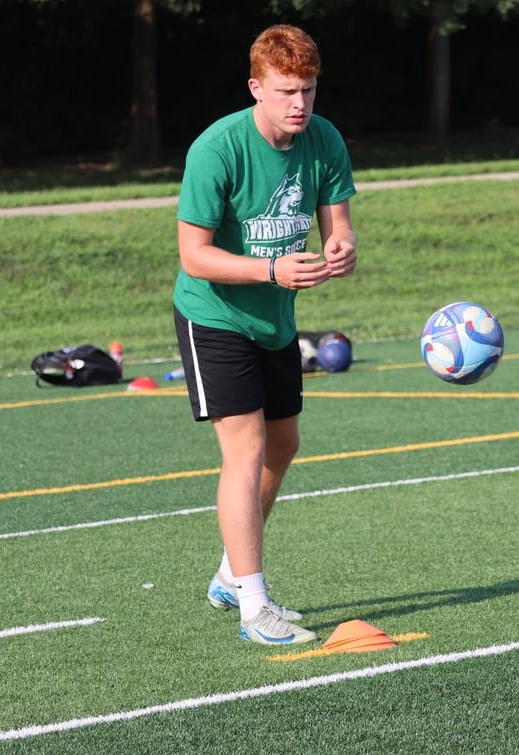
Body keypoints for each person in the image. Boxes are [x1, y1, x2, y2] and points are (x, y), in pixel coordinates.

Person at [173, 24, 357, 645]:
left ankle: (230, 574)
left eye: (307, 89)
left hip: (274, 318)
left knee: (283, 447)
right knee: (245, 452)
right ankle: (255, 608)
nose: (299, 103)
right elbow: (194, 256)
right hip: (214, 314)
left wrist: (340, 249)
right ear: (256, 87)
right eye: (285, 91)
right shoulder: (216, 150)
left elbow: (340, 226)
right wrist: (272, 269)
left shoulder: (324, 139)